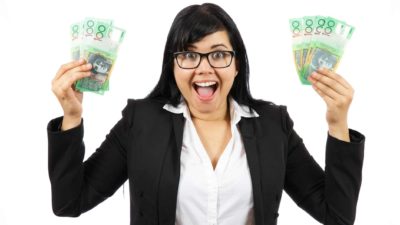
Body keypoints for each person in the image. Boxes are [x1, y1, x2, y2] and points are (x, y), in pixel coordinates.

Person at [48, 3, 365, 225]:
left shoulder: (273, 126)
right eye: (188, 54)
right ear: (173, 66)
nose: (204, 68)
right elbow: (69, 203)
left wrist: (338, 124)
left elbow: (337, 216)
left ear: (236, 63)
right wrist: (71, 117)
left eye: (218, 54)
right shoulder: (139, 122)